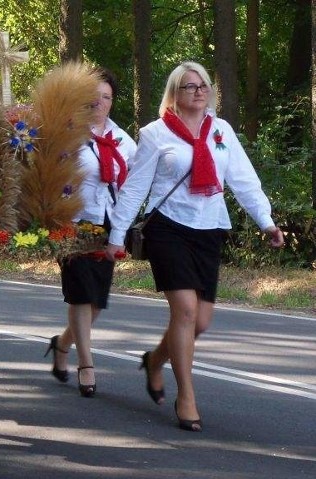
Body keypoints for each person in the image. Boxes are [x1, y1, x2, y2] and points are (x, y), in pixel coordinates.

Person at [105, 61, 284, 432]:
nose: (198, 91)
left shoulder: (221, 131)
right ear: (175, 93)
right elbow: (136, 187)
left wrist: (265, 220)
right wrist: (116, 234)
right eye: (189, 86)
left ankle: (155, 360)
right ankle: (186, 396)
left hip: (210, 227)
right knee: (185, 310)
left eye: (202, 85)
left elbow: (243, 180)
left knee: (199, 320)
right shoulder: (155, 134)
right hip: (168, 227)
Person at [46, 68, 137, 397]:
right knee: (81, 294)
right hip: (73, 222)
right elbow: (46, 175)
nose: (100, 102)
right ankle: (87, 364)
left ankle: (62, 344)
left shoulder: (123, 140)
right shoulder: (64, 133)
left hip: (109, 224)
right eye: (94, 95)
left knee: (97, 300)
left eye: (107, 96)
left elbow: (135, 185)